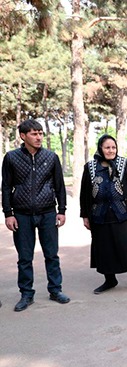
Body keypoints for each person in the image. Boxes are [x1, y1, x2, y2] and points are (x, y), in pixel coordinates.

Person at [2, 119, 70, 312]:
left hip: (47, 212)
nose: (39, 137)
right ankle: (26, 294)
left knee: (52, 255)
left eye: (40, 133)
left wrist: (62, 210)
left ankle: (55, 290)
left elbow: (59, 186)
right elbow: (6, 187)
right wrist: (8, 214)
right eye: (34, 133)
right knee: (24, 257)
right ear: (23, 136)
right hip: (22, 215)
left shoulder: (51, 157)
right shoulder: (11, 158)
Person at [80, 135, 127, 294]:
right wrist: (85, 215)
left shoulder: (125, 164)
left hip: (124, 214)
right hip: (101, 215)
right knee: (105, 249)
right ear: (100, 148)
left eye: (113, 147)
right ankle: (110, 280)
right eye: (107, 147)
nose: (111, 150)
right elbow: (84, 193)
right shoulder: (90, 167)